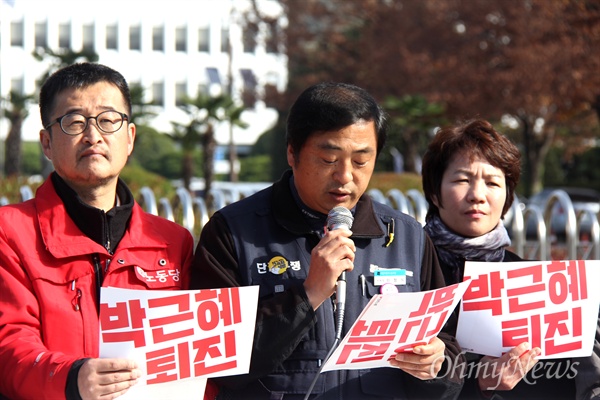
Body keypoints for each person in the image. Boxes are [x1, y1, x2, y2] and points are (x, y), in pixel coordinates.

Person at [190, 82, 465, 399]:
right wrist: (308, 295)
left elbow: (450, 354)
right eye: (328, 159)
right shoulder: (232, 232)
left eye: (361, 161)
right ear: (292, 153)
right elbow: (213, 361)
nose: (345, 176)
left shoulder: (407, 236)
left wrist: (436, 362)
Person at [0, 63, 217, 400]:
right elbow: (9, 344)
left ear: (129, 137)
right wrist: (72, 379)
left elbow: (197, 357)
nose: (93, 135)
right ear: (46, 142)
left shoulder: (173, 242)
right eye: (74, 122)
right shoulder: (10, 232)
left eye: (108, 120)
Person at [421, 119, 584, 399]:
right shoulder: (411, 267)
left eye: (493, 183)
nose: (478, 196)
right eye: (462, 180)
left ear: (507, 196)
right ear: (435, 193)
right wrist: (477, 385)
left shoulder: (531, 278)